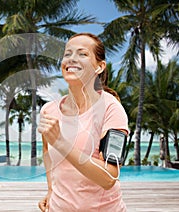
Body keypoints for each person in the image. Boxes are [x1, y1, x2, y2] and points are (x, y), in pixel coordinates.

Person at [37, 32, 129, 211]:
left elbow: (109, 178)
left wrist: (63, 143)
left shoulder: (112, 109)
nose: (72, 59)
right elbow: (47, 151)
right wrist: (50, 190)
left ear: (99, 67)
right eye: (67, 53)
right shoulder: (49, 110)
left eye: (82, 54)